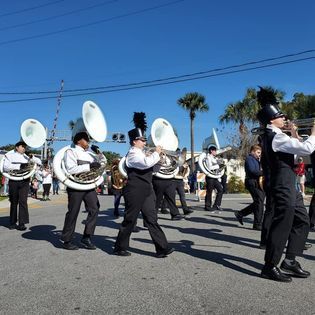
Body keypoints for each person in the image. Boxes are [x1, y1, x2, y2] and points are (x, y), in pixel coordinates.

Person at [256, 87, 315, 282]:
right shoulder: (276, 137)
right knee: (282, 224)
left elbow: (302, 157)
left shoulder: (280, 136)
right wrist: (314, 133)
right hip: (283, 185)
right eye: (281, 116)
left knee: (302, 220)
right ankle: (269, 265)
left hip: (290, 184)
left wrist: (295, 134)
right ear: (272, 120)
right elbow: (308, 147)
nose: (285, 118)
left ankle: (289, 261)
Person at [114, 112, 174, 257]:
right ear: (134, 141)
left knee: (152, 219)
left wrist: (161, 161)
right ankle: (119, 247)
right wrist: (156, 153)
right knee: (130, 219)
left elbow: (153, 169)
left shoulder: (144, 153)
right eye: (142, 140)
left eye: (144, 139)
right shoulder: (133, 154)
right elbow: (145, 163)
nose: (145, 142)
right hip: (134, 190)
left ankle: (162, 248)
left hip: (147, 189)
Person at [60, 131, 103, 250]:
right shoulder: (71, 151)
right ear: (79, 141)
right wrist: (89, 166)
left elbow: (99, 166)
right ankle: (67, 239)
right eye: (86, 140)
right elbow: (71, 169)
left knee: (94, 209)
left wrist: (99, 156)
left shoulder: (90, 154)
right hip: (75, 186)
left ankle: (87, 237)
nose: (88, 142)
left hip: (88, 185)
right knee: (73, 211)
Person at [2, 141, 41, 230]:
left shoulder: (26, 156)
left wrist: (32, 157)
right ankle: (12, 222)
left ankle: (22, 223)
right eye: (22, 146)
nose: (24, 148)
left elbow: (39, 162)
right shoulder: (10, 155)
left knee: (23, 201)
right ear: (17, 147)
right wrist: (20, 166)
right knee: (14, 201)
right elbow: (5, 166)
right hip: (14, 180)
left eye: (25, 147)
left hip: (25, 180)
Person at [234, 145, 265, 230]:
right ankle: (257, 224)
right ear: (253, 151)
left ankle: (241, 214)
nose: (259, 154)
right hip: (251, 182)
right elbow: (252, 171)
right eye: (258, 152)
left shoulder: (257, 160)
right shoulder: (249, 159)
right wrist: (264, 172)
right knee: (259, 202)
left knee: (258, 202)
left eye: (260, 153)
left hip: (257, 182)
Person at [204, 146, 224, 213]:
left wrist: (220, 167)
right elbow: (209, 167)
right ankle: (207, 206)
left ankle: (217, 205)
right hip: (210, 177)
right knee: (209, 191)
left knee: (220, 190)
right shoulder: (208, 157)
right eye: (215, 151)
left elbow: (217, 167)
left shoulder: (214, 158)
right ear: (211, 151)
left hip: (215, 177)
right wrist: (218, 166)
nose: (216, 152)